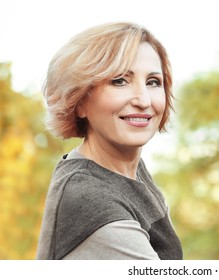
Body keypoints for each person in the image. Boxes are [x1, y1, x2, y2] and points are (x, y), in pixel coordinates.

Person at [36, 22, 183, 260]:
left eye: (153, 82)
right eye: (120, 81)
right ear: (80, 100)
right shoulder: (91, 200)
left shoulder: (126, 169)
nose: (144, 100)